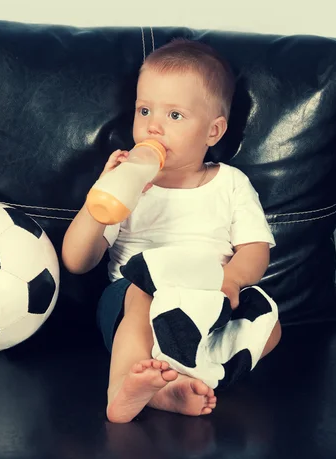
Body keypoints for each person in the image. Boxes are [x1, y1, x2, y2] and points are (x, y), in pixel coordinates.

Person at [61, 38, 282, 424]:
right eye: (144, 109)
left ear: (213, 131)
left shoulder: (230, 183)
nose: (153, 126)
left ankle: (180, 382)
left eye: (175, 116)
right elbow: (77, 261)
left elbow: (255, 249)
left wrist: (231, 280)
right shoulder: (128, 184)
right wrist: (101, 197)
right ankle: (123, 390)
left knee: (270, 323)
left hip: (207, 302)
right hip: (134, 307)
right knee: (140, 291)